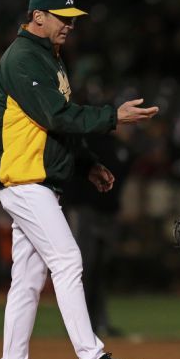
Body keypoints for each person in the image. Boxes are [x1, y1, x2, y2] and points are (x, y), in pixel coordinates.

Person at [0, 0, 158, 359]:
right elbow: (57, 116)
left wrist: (87, 165)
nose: (70, 25)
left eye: (73, 19)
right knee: (67, 259)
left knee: (27, 279)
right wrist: (112, 117)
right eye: (63, 18)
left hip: (38, 179)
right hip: (23, 178)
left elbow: (55, 126)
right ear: (37, 16)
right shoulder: (23, 57)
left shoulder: (50, 57)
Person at [64, 130, 133, 337]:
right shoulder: (92, 140)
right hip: (85, 212)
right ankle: (80, 325)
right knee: (83, 268)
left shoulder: (123, 148)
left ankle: (99, 322)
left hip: (108, 214)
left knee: (100, 270)